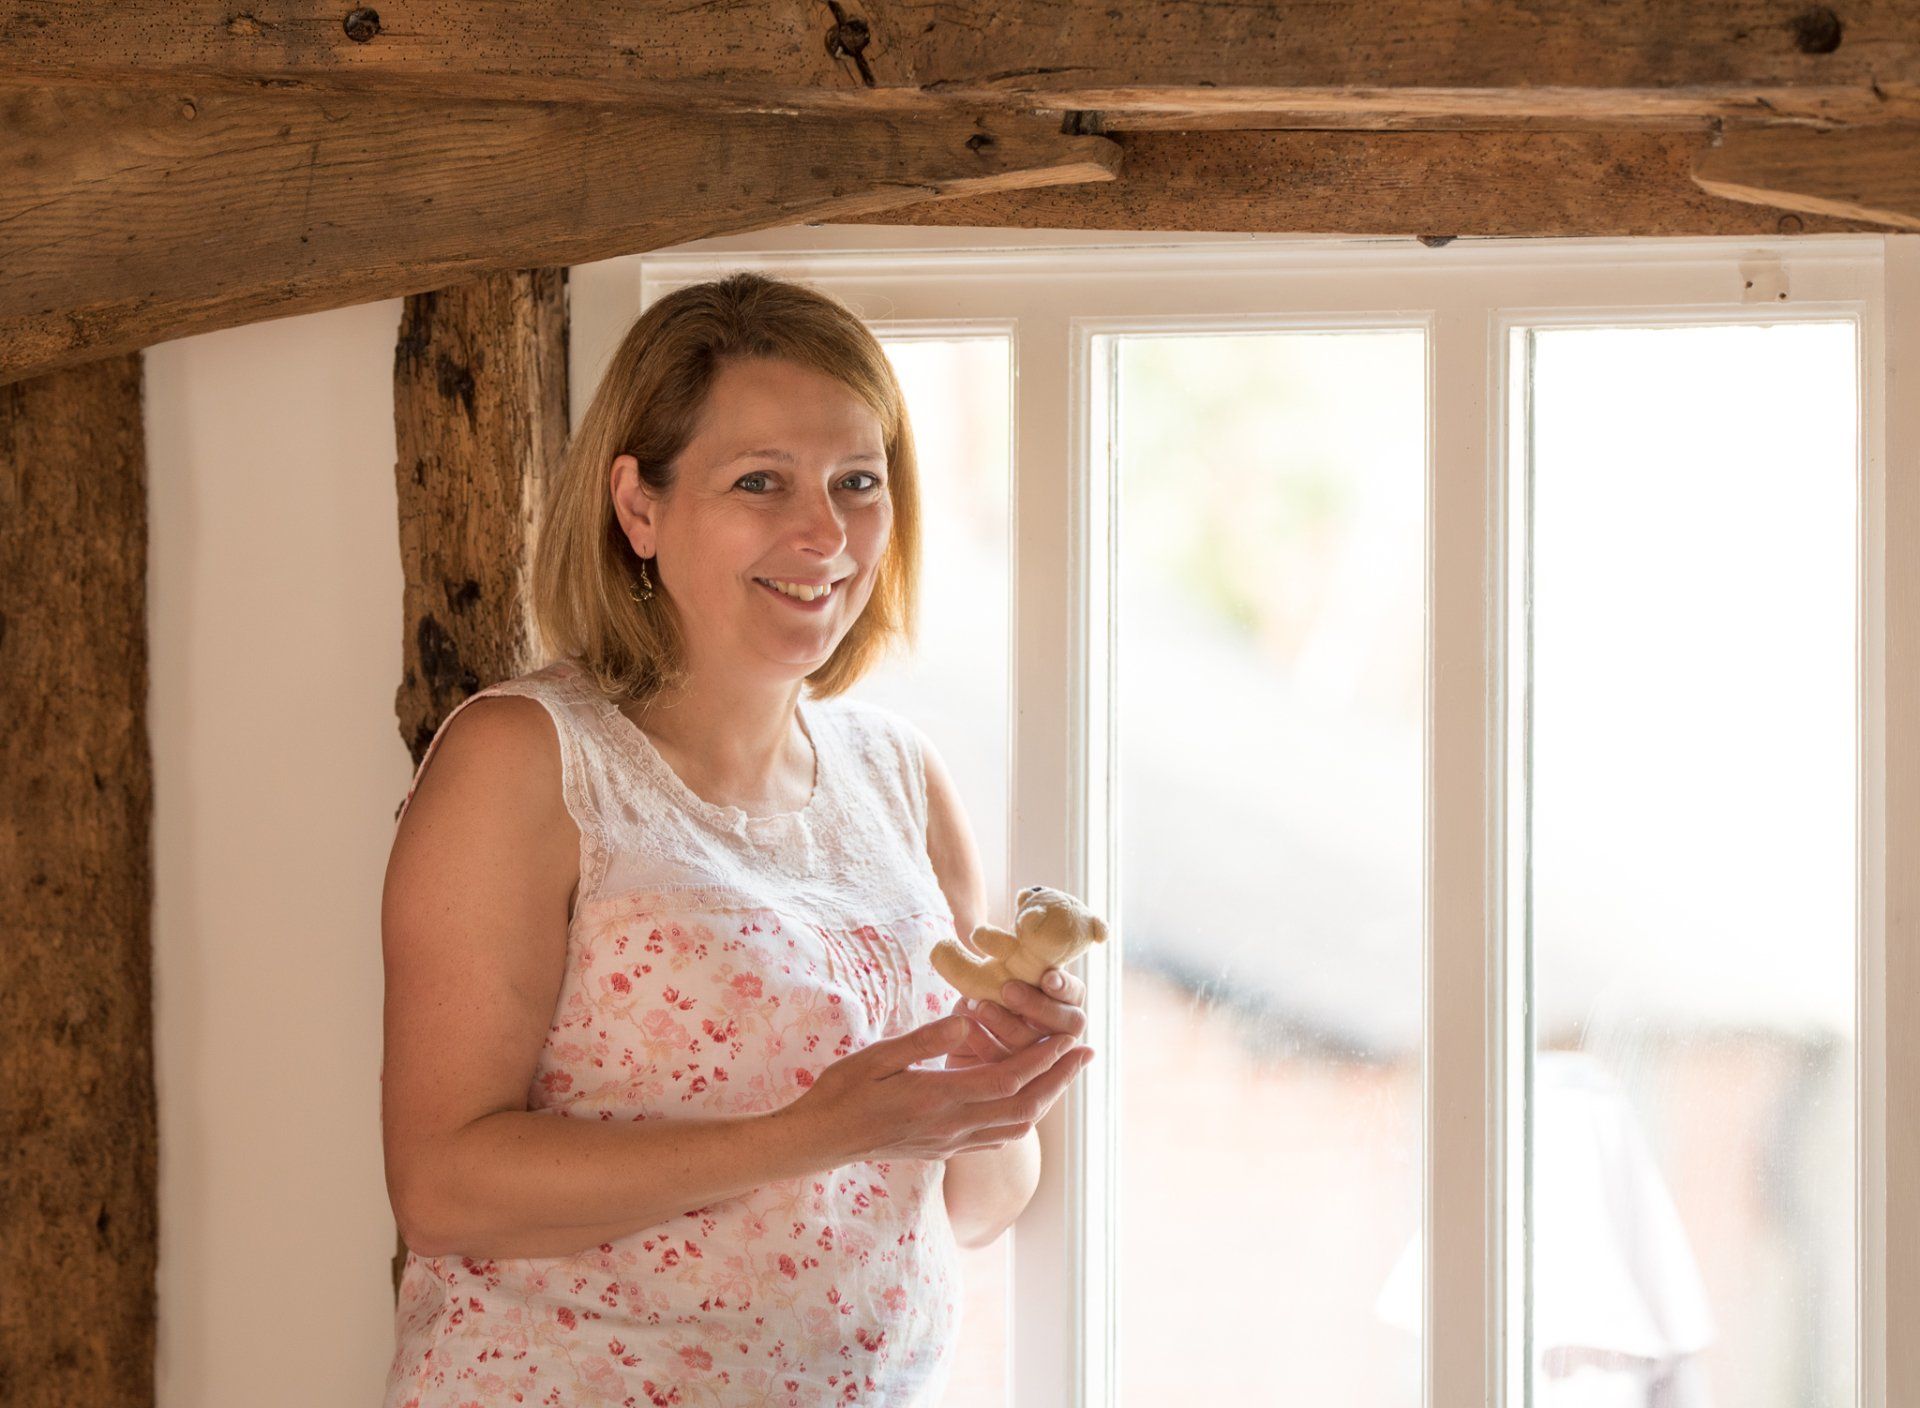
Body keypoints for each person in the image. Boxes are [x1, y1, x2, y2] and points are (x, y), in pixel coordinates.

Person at [379, 271, 1094, 1407]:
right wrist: (808, 1133)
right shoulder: (526, 762)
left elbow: (977, 1203)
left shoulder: (900, 780)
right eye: (761, 481)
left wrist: (994, 1073)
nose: (825, 532)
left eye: (858, 481)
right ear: (639, 507)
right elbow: (445, 1186)